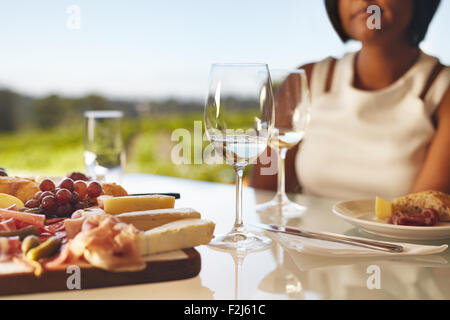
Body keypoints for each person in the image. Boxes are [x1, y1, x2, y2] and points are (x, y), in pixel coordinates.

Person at [250, 0, 450, 199]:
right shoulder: (306, 79)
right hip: (305, 232)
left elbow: (424, 213)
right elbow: (263, 192)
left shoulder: (442, 89)